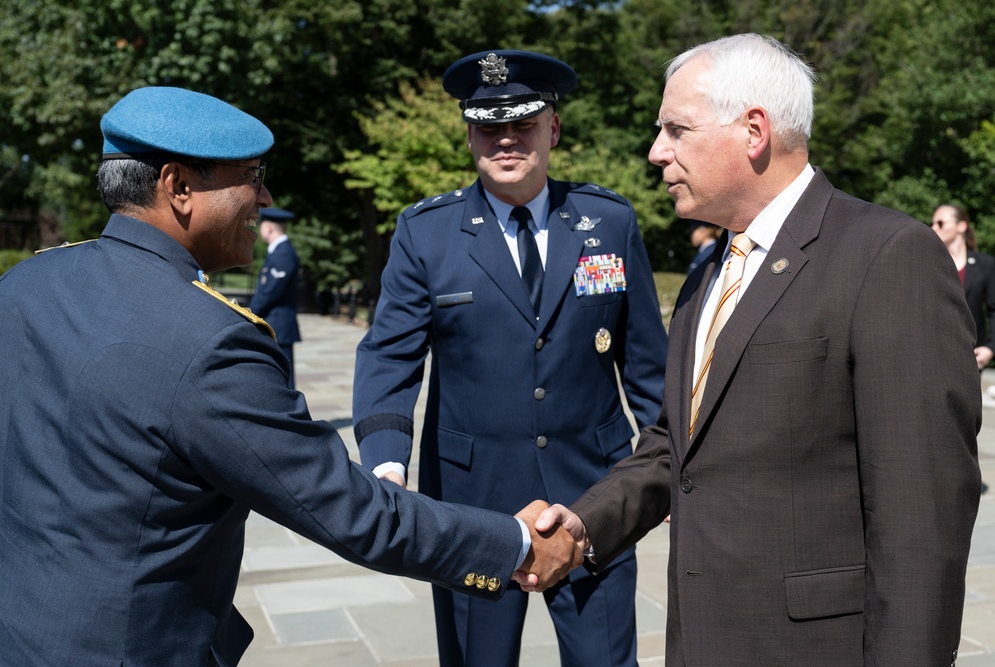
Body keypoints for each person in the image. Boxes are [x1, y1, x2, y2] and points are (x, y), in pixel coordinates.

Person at [0, 86, 582, 667]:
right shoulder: (209, 342)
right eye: (251, 175)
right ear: (177, 187)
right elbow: (349, 510)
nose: (265, 196)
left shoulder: (25, 284)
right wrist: (517, 543)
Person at [531, 34, 982, 666]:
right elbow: (675, 445)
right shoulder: (707, 272)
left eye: (675, 129)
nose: (656, 153)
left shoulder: (887, 256)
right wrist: (581, 525)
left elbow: (922, 512)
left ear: (753, 130)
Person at [352, 50, 667, 667]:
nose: (505, 140)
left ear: (552, 128)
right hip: (473, 501)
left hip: (594, 492)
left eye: (522, 124)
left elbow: (648, 365)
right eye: (487, 126)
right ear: (469, 133)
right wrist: (387, 464)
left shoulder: (608, 220)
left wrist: (675, 472)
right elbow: (390, 355)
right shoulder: (428, 232)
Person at [932, 203, 995, 370]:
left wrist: (991, 347)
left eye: (940, 223)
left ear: (961, 226)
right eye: (932, 223)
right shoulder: (929, 264)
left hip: (971, 356)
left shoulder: (985, 264)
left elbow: (994, 308)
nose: (933, 228)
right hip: (934, 354)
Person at [250, 206, 301, 387]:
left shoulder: (283, 254)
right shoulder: (279, 252)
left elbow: (269, 292)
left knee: (283, 380)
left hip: (278, 326)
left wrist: (249, 313)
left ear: (269, 228)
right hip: (275, 324)